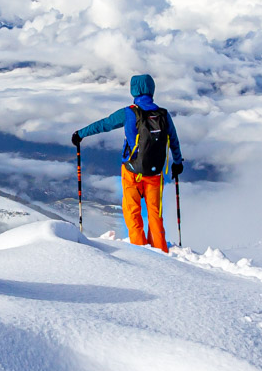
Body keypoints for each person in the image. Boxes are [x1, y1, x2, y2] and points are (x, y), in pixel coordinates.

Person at [72, 74, 184, 250]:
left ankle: (140, 251)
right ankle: (161, 251)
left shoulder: (129, 112)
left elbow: (105, 124)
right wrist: (178, 163)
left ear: (134, 90)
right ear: (152, 89)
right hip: (155, 174)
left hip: (132, 172)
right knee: (155, 214)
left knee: (133, 213)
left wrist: (80, 134)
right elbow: (174, 141)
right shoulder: (163, 114)